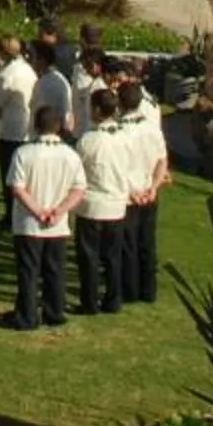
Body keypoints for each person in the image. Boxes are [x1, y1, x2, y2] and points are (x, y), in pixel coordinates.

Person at [4, 106, 86, 330]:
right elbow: (79, 189)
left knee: (28, 271)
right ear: (59, 127)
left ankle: (27, 315)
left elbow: (18, 188)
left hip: (29, 224)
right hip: (57, 225)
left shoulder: (24, 153)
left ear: (36, 125)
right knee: (55, 270)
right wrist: (59, 211)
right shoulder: (70, 155)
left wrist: (38, 211)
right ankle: (54, 311)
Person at [72, 89, 136, 316]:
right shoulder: (125, 138)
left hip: (92, 204)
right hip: (116, 205)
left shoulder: (88, 140)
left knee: (89, 257)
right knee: (112, 257)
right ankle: (113, 299)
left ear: (98, 110)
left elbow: (78, 171)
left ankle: (89, 302)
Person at [116, 77, 170, 305]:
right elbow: (161, 161)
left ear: (120, 103)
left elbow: (118, 166)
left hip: (129, 194)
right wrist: (154, 187)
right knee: (147, 242)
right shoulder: (152, 128)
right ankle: (148, 290)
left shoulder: (120, 131)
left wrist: (131, 191)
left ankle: (130, 289)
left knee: (128, 244)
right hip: (149, 190)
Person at [0, 37, 36, 225]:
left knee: (9, 174)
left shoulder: (6, 74)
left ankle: (11, 215)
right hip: (27, 127)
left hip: (10, 129)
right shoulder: (29, 69)